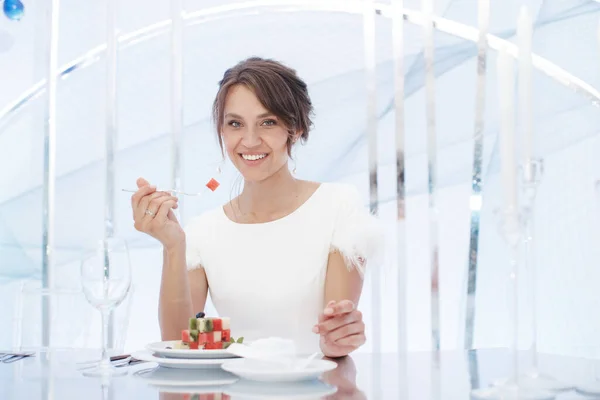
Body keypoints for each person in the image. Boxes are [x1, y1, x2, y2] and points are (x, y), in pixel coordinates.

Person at [131, 57, 383, 357]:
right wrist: (173, 247)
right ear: (222, 132)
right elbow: (176, 345)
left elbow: (334, 338)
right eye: (235, 124)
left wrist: (341, 336)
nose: (249, 141)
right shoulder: (203, 232)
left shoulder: (338, 208)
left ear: (296, 128)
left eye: (268, 122)